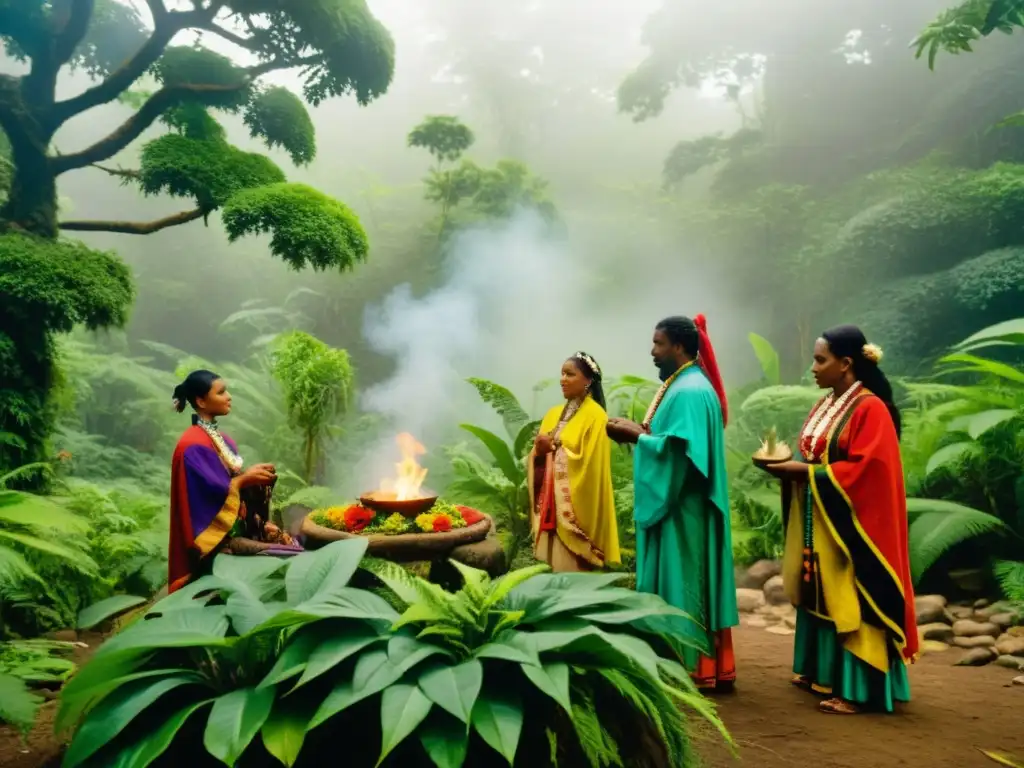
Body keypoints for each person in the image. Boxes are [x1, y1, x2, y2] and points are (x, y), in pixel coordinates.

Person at [753, 325, 918, 714]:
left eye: (820, 359)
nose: (813, 367)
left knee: (849, 592)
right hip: (820, 515)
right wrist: (789, 467)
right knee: (820, 590)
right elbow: (815, 455)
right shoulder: (829, 403)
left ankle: (859, 689)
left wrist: (799, 471)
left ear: (846, 364)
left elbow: (868, 470)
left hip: (851, 523)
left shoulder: (870, 407)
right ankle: (820, 671)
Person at [607, 315, 739, 692]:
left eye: (658, 343)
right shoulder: (682, 385)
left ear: (679, 347)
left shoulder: (691, 391)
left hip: (684, 511)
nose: (652, 351)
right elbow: (673, 439)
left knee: (684, 583)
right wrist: (644, 433)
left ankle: (688, 665)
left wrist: (637, 437)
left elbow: (682, 454)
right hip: (680, 507)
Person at [168, 369, 299, 593]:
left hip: (236, 529)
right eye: (221, 392)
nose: (228, 397)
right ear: (201, 401)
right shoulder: (192, 445)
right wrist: (243, 480)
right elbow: (209, 497)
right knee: (290, 555)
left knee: (289, 541)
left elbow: (224, 480)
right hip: (215, 541)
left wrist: (249, 475)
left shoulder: (219, 439)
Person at [528, 352, 620, 571]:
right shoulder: (552, 414)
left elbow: (591, 466)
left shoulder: (596, 416)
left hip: (574, 509)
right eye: (562, 373)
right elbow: (537, 456)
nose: (563, 379)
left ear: (588, 381)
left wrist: (554, 449)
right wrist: (539, 452)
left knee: (572, 573)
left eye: (569, 374)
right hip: (550, 505)